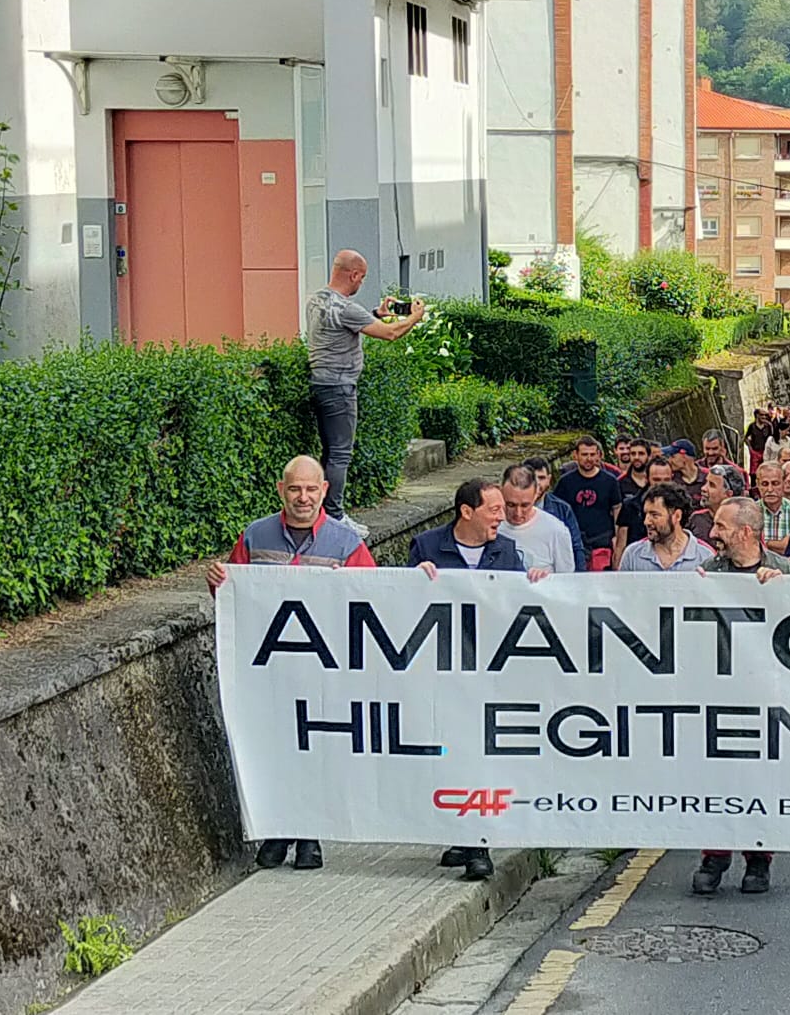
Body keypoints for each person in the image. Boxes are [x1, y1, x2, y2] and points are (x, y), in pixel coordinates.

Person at [207, 455, 374, 873]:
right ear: (281, 490)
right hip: (270, 671)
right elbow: (235, 599)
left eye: (311, 489)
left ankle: (309, 837)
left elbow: (373, 603)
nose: (303, 497)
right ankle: (279, 831)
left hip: (324, 672)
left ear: (324, 492)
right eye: (295, 489)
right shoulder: (254, 535)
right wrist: (218, 586)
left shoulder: (347, 543)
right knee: (274, 750)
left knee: (315, 749)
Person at [407, 478, 548, 882]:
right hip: (444, 673)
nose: (502, 518)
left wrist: (535, 582)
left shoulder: (506, 551)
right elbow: (400, 602)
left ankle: (478, 845)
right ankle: (462, 834)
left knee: (480, 754)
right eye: (494, 510)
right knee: (451, 756)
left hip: (491, 675)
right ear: (466, 511)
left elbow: (518, 603)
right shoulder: (427, 547)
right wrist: (414, 578)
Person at [691, 497, 790, 895]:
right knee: (718, 774)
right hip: (718, 691)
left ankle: (758, 859)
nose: (712, 533)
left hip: (768, 694)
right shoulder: (706, 572)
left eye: (720, 526)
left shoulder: (786, 571)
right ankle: (715, 855)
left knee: (762, 777)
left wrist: (785, 592)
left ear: (745, 533)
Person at [305, 249, 426, 533]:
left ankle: (325, 514)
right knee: (340, 454)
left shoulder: (317, 300)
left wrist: (376, 314)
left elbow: (344, 325)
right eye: (363, 277)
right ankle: (334, 518)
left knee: (329, 452)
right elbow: (391, 334)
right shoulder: (347, 308)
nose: (362, 283)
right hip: (340, 388)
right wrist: (415, 317)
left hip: (320, 384)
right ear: (355, 274)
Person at [497, 465, 579, 575]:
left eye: (525, 505)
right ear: (501, 492)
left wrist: (545, 578)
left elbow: (566, 580)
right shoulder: (491, 525)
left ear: (536, 494)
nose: (518, 513)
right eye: (510, 505)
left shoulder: (556, 531)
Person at [616, 483, 716, 572]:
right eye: (646, 514)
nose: (646, 522)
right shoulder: (632, 555)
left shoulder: (705, 556)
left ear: (677, 516)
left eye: (655, 515)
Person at [558, 437, 623, 571]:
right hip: (575, 541)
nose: (588, 458)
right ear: (575, 455)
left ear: (599, 455)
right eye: (584, 454)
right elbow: (558, 511)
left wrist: (618, 539)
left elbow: (617, 509)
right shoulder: (565, 482)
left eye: (592, 454)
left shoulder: (610, 481)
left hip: (602, 541)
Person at [524, 457, 592, 573]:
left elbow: (576, 546)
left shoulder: (562, 509)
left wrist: (580, 579)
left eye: (541, 478)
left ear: (549, 479)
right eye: (532, 478)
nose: (537, 483)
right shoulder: (507, 508)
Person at [755, 461, 790, 554]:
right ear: (757, 484)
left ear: (784, 483)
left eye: (775, 483)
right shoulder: (750, 511)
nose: (770, 489)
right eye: (765, 484)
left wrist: (763, 543)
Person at [688, 463, 744, 540]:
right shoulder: (696, 519)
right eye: (706, 482)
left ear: (728, 494)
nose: (703, 488)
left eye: (712, 485)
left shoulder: (742, 523)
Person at [665, 439, 706, 504]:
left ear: (684, 457)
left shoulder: (708, 476)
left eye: (672, 456)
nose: (669, 460)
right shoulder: (671, 480)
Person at [745, 409, 774, 476]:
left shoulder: (769, 426)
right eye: (761, 415)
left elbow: (772, 438)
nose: (764, 417)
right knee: (754, 473)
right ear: (757, 415)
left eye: (765, 415)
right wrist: (750, 449)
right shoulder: (752, 426)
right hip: (755, 452)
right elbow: (746, 438)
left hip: (766, 451)